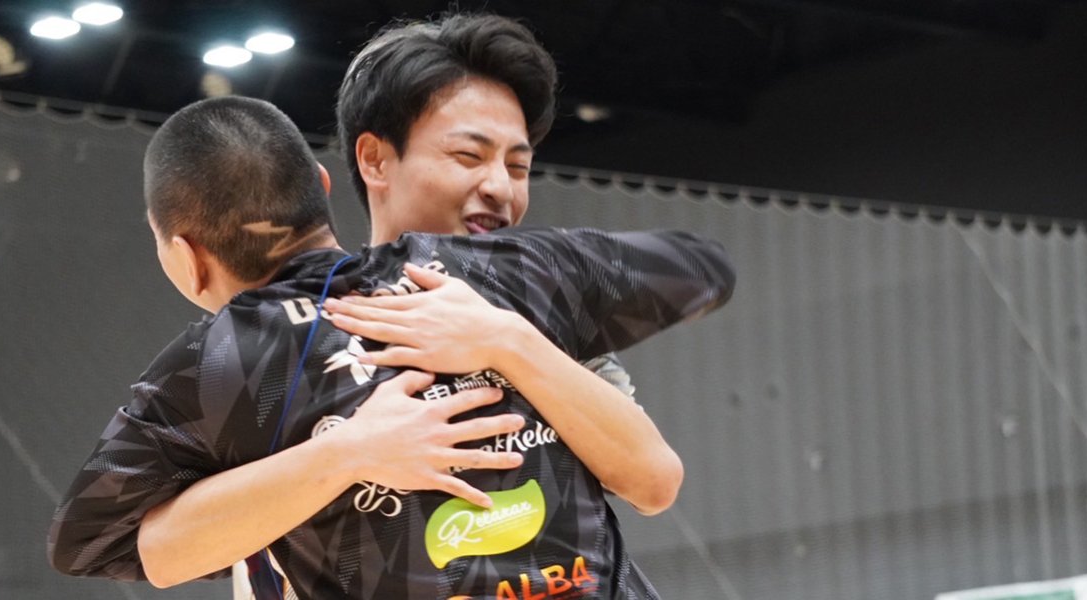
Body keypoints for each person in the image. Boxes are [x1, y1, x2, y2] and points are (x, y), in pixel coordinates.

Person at [47, 94, 734, 599]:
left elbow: (90, 541)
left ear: (185, 255)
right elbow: (699, 268)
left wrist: (342, 452)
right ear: (321, 188)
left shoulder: (219, 364)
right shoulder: (498, 270)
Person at [235, 13, 691, 599]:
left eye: (518, 165)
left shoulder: (541, 312)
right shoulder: (294, 336)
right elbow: (179, 548)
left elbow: (653, 480)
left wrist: (508, 340)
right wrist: (346, 452)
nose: (501, 187)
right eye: (469, 157)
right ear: (375, 159)